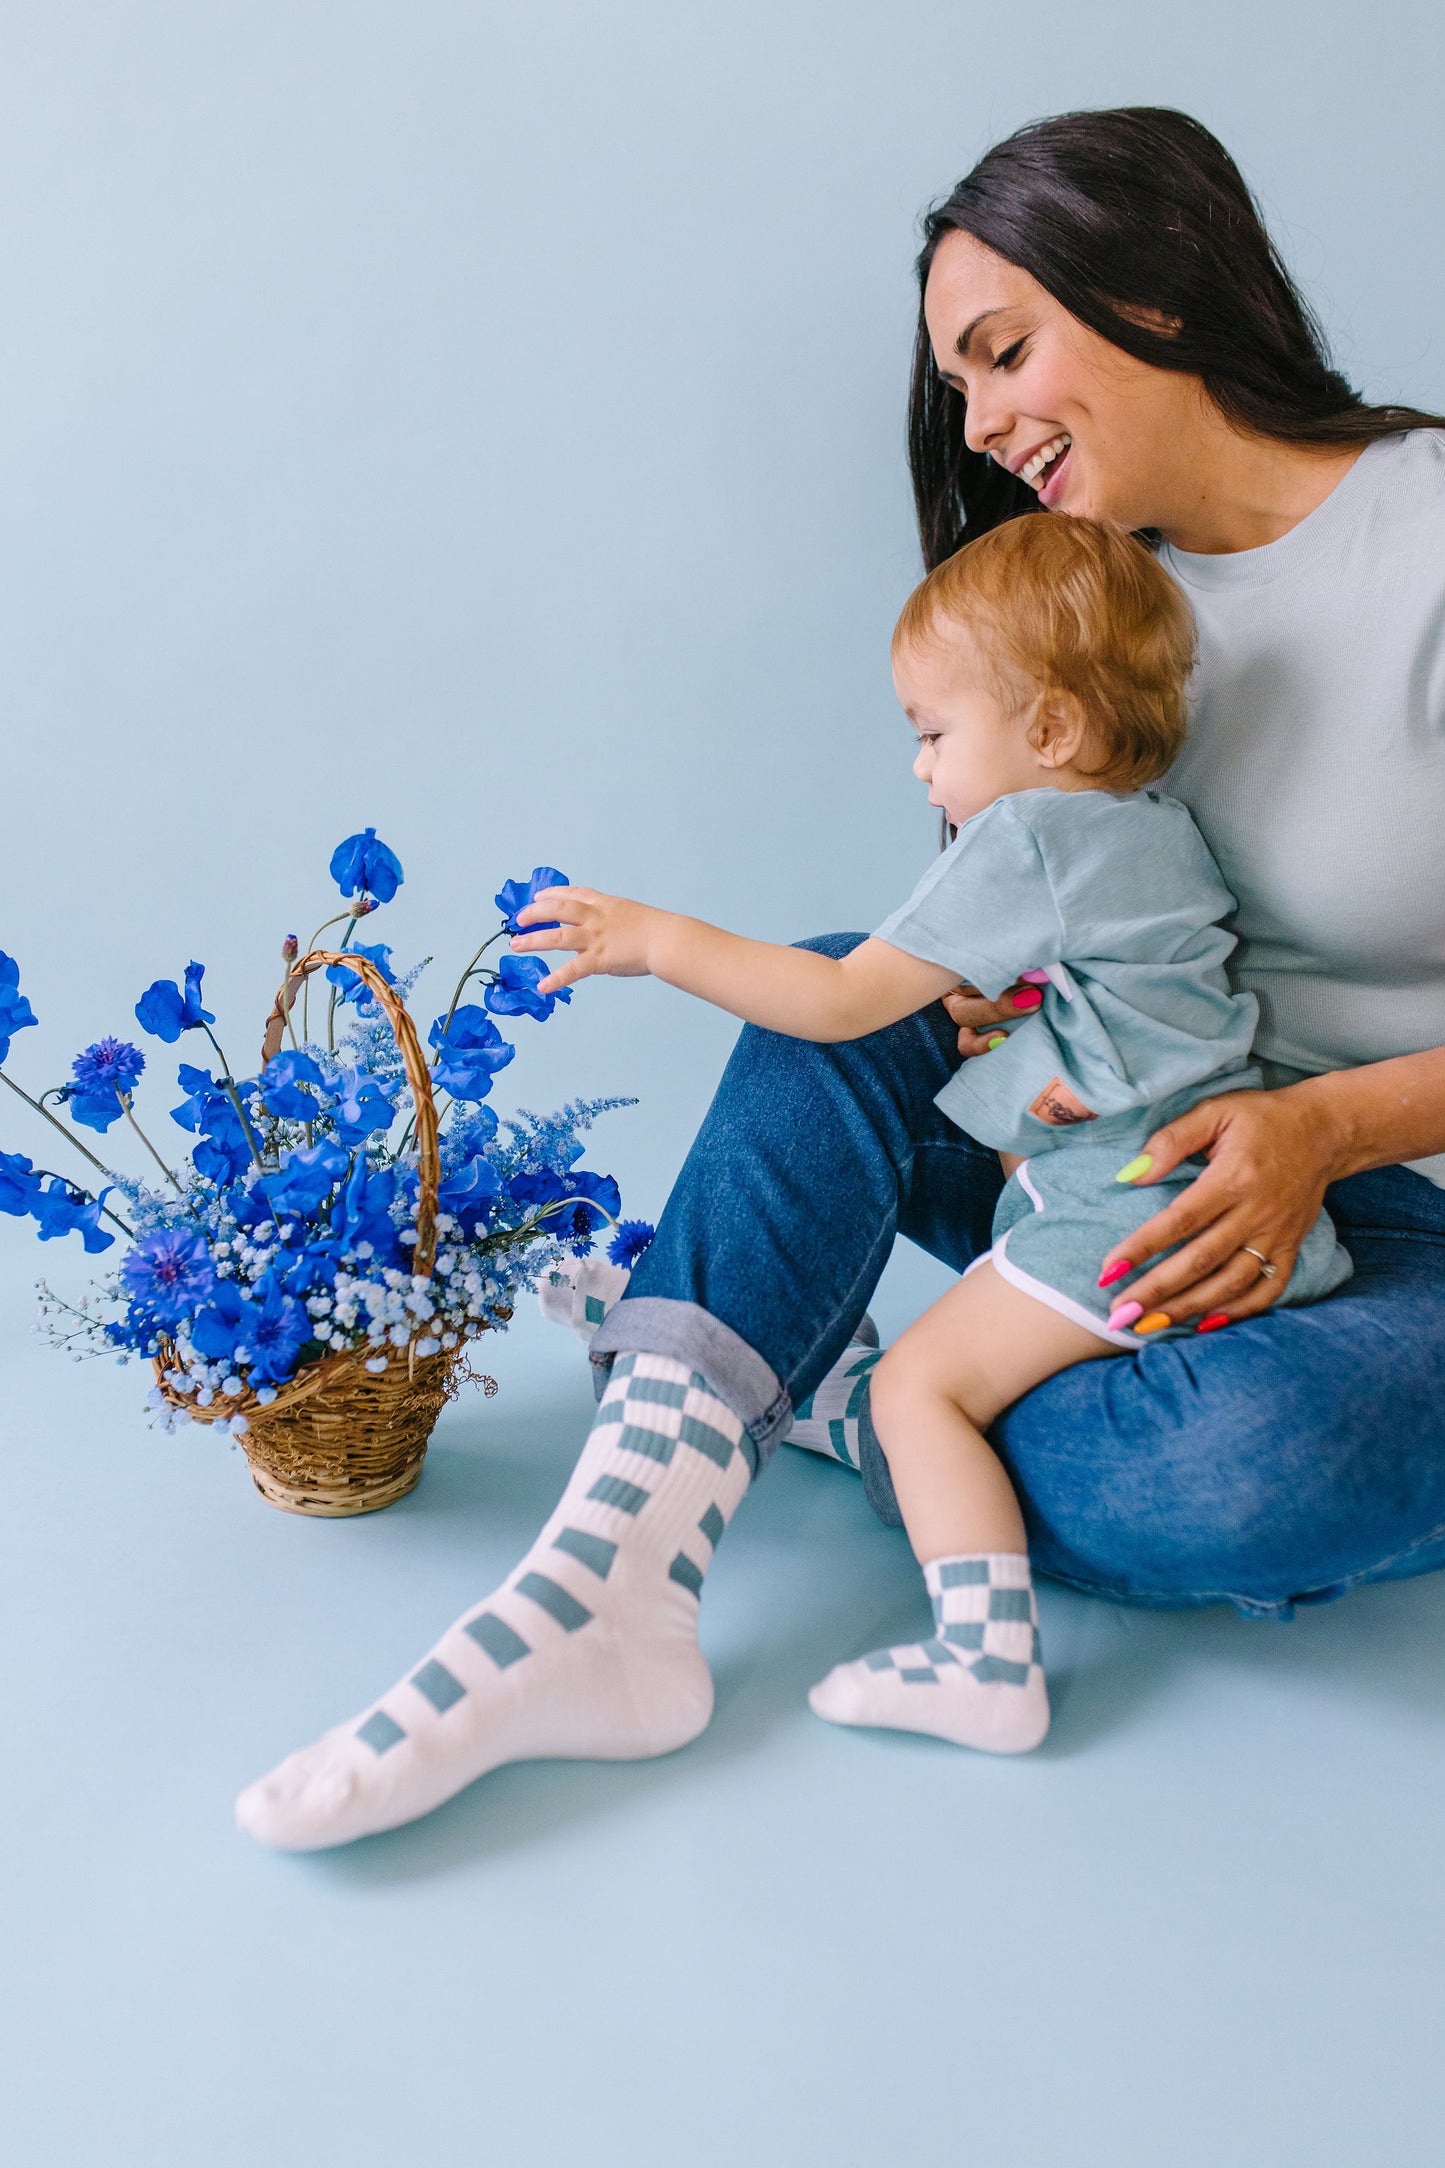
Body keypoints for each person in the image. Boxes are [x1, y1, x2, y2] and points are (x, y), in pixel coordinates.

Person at [236, 106, 1445, 1851]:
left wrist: (1323, 1126)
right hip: (1120, 1190)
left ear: (1163, 289)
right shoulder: (1096, 618)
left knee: (1238, 1479)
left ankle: (828, 1395)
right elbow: (1124, 935)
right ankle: (609, 1592)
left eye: (1004, 351)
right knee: (836, 987)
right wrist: (1012, 1009)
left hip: (1387, 1236)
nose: (978, 423)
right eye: (957, 380)